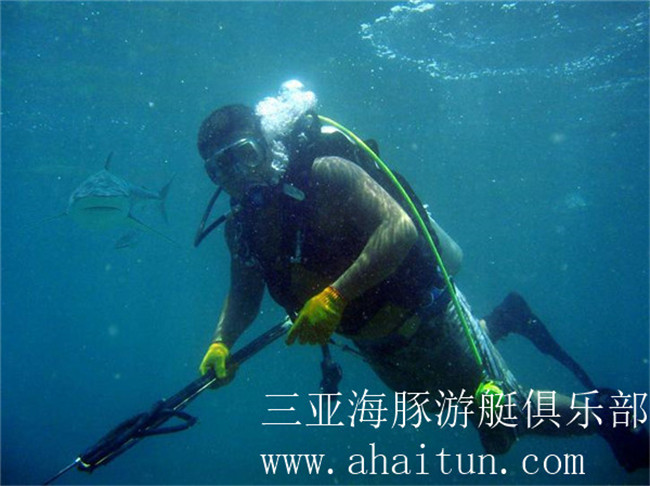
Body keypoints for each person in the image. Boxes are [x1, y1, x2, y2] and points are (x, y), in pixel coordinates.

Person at [196, 81, 649, 472]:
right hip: (376, 346)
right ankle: (501, 321)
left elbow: (398, 229)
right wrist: (221, 342)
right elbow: (244, 292)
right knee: (442, 407)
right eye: (220, 167)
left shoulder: (325, 174)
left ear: (266, 145)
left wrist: (335, 295)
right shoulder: (240, 229)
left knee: (503, 419)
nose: (236, 176)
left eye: (243, 155)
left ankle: (609, 416)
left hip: (429, 317)